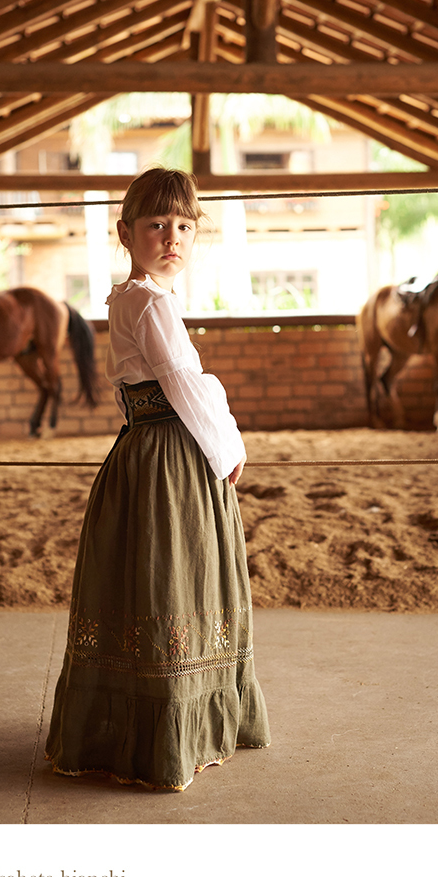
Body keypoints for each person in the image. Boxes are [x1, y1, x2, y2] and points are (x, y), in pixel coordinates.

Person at [45, 167, 270, 792]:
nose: (172, 236)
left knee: (157, 576)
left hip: (146, 446)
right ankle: (168, 739)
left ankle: (144, 729)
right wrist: (227, 449)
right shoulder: (148, 300)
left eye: (184, 226)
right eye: (156, 225)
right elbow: (182, 384)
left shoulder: (133, 297)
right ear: (126, 233)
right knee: (174, 574)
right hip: (171, 452)